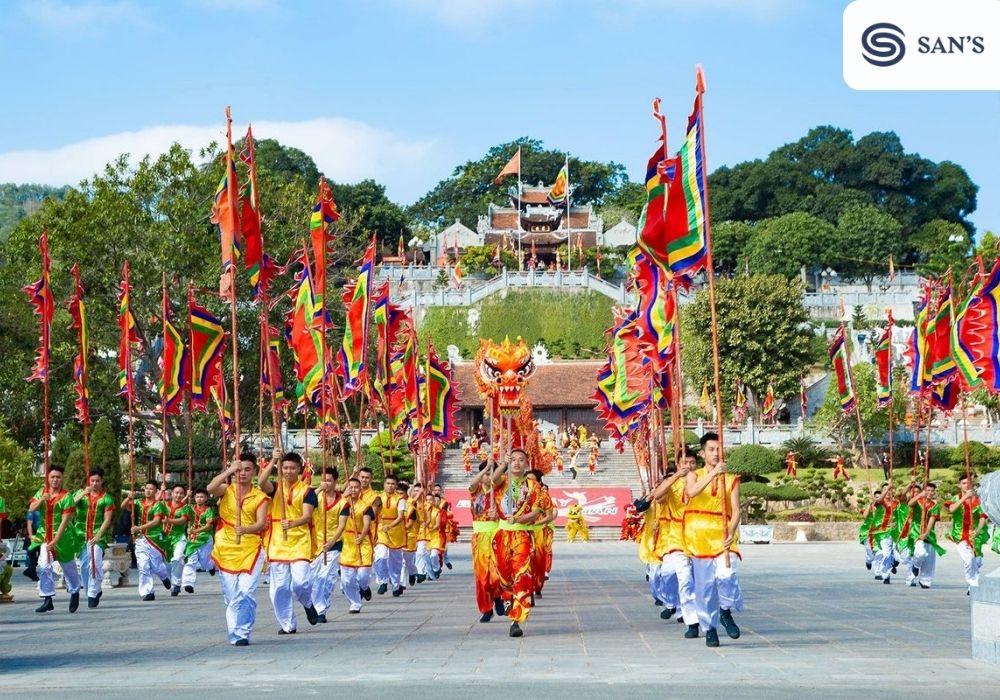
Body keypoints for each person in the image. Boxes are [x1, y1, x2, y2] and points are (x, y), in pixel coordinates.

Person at [684, 433, 743, 648]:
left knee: (727, 575)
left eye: (719, 449)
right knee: (705, 587)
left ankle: (726, 610)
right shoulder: (694, 474)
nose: (716, 453)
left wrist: (730, 530)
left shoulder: (731, 478)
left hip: (722, 535)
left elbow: (736, 510)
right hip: (699, 537)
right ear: (703, 453)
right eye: (711, 449)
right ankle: (710, 628)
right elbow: (692, 492)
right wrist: (713, 474)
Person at [208, 454, 270, 646]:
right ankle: (235, 629)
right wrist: (228, 471)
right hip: (226, 546)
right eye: (239, 469)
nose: (242, 473)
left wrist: (246, 529)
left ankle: (241, 633)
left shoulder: (260, 497)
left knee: (246, 591)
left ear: (254, 472)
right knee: (232, 595)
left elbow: (260, 523)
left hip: (250, 547)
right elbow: (210, 488)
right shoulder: (227, 490)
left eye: (247, 469)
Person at [258, 450, 320, 634]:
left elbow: (307, 516)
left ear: (299, 469)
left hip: (300, 540)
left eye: (292, 468)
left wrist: (292, 523)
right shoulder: (276, 488)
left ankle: (308, 603)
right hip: (277, 542)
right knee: (280, 588)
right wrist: (273, 462)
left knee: (300, 583)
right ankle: (287, 624)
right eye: (285, 467)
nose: (288, 471)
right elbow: (261, 483)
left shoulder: (308, 491)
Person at [493, 448, 544, 638]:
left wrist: (519, 519)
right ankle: (507, 598)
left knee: (521, 574)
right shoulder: (504, 481)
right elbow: (493, 480)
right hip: (502, 534)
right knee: (504, 574)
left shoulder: (533, 485)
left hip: (522, 535)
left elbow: (536, 512)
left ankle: (517, 619)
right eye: (513, 460)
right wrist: (502, 464)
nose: (516, 463)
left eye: (521, 460)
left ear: (526, 463)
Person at [650, 452, 698, 633]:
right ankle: (671, 602)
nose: (689, 466)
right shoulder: (672, 482)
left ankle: (691, 620)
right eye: (685, 462)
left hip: (697, 534)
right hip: (676, 534)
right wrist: (676, 476)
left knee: (687, 579)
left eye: (693, 463)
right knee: (668, 575)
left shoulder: (701, 480)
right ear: (677, 464)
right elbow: (658, 495)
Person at [29, 465, 83, 613]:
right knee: (44, 566)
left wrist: (56, 540)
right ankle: (48, 598)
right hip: (45, 535)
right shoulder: (42, 492)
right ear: (48, 478)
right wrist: (41, 500)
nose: (55, 480)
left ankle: (75, 591)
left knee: (69, 568)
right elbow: (31, 509)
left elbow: (65, 521)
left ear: (62, 478)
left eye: (58, 477)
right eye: (52, 477)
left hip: (63, 537)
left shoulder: (67, 497)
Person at [327, 477, 374, 613]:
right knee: (347, 580)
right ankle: (355, 603)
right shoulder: (341, 504)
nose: (353, 490)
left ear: (360, 490)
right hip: (347, 542)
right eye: (351, 487)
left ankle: (364, 587)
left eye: (356, 487)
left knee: (363, 576)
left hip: (362, 542)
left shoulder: (365, 507)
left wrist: (362, 536)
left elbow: (367, 524)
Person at [72, 468, 116, 608]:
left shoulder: (107, 498)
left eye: (97, 481)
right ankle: (92, 590)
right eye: (92, 481)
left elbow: (107, 520)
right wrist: (83, 493)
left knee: (94, 563)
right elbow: (68, 506)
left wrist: (98, 536)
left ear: (101, 481)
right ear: (88, 481)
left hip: (97, 537)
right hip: (81, 536)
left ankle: (93, 592)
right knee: (84, 566)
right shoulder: (81, 494)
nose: (95, 483)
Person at [469, 458, 504, 622]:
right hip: (479, 536)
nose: (488, 477)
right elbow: (471, 484)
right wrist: (486, 468)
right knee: (482, 575)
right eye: (485, 474)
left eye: (492, 474)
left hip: (496, 534)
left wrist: (498, 515)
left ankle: (498, 597)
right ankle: (486, 608)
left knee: (496, 572)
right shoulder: (476, 491)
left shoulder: (500, 492)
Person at [124, 480, 171, 601]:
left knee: (156, 567)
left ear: (156, 491)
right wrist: (128, 498)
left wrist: (138, 528)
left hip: (155, 539)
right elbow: (123, 506)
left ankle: (164, 576)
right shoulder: (138, 503)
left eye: (151, 489)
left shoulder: (158, 505)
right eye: (146, 488)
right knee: (143, 565)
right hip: (140, 539)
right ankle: (148, 591)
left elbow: (156, 521)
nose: (148, 491)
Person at [946, 475, 989, 594]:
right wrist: (965, 497)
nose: (967, 485)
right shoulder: (955, 498)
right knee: (969, 559)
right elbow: (951, 509)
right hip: (960, 535)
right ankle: (973, 584)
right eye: (964, 483)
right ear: (960, 485)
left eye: (969, 483)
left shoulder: (978, 500)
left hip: (975, 535)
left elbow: (982, 517)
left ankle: (973, 580)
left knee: (977, 561)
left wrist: (978, 530)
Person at [311, 467, 344, 622]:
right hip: (315, 543)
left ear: (336, 481)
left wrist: (331, 543)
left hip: (334, 544)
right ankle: (319, 604)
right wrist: (318, 489)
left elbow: (341, 526)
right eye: (324, 480)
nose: (326, 483)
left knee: (324, 577)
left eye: (329, 480)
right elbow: (305, 503)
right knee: (313, 578)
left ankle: (320, 610)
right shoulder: (317, 497)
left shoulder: (343, 502)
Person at [373, 474, 407, 596]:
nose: (390, 486)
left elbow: (400, 517)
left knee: (396, 562)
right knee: (380, 556)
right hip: (382, 531)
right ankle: (383, 581)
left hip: (396, 531)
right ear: (384, 484)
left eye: (393, 484)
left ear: (396, 485)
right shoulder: (378, 498)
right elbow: (373, 513)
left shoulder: (400, 500)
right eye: (388, 483)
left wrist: (390, 526)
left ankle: (396, 585)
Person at [909, 482, 945, 589]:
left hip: (929, 534)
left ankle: (925, 580)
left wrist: (926, 533)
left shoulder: (935, 505)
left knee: (929, 559)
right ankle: (915, 565)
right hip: (916, 531)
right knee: (921, 553)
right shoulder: (918, 501)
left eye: (932, 491)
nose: (930, 493)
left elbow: (932, 519)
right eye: (928, 490)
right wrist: (920, 495)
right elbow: (910, 504)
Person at [181, 488, 217, 593]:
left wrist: (195, 530)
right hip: (192, 540)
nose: (199, 499)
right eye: (197, 497)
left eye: (201, 497)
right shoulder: (190, 508)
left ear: (205, 498)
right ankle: (188, 583)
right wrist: (187, 496)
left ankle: (211, 566)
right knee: (190, 560)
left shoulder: (208, 510)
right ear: (194, 498)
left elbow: (208, 525)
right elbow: (178, 506)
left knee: (204, 562)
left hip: (205, 538)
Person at [526, 470, 555, 600]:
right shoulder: (519, 494)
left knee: (538, 562)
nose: (529, 483)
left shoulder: (544, 496)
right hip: (522, 532)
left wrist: (536, 522)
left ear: (539, 482)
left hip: (538, 532)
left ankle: (537, 587)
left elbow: (549, 517)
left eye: (533, 480)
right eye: (527, 480)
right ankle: (527, 589)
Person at [163, 485, 194, 597]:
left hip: (179, 537)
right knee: (167, 563)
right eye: (176, 492)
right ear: (171, 494)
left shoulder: (186, 508)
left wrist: (169, 520)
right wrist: (161, 491)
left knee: (177, 558)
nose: (178, 495)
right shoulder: (164, 505)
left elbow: (183, 520)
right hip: (165, 538)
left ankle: (176, 584)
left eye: (181, 493)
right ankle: (172, 581)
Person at [869, 483, 898, 584]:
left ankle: (893, 563)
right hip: (883, 533)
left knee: (894, 555)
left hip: (895, 533)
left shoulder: (896, 502)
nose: (888, 491)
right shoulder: (880, 503)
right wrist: (887, 489)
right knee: (886, 554)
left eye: (889, 489)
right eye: (885, 489)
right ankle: (886, 574)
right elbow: (878, 500)